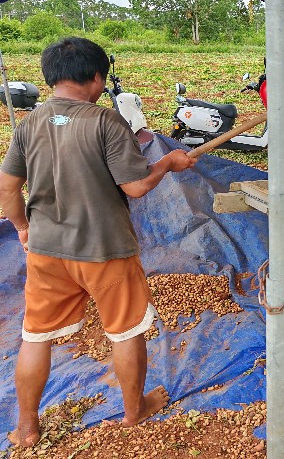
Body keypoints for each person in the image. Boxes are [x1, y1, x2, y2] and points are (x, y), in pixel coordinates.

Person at [0, 37, 197, 448]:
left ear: (52, 77)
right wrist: (167, 162)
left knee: (35, 336)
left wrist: (22, 228)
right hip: (105, 249)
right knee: (126, 331)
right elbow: (136, 186)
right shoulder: (106, 121)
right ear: (96, 77)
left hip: (46, 250)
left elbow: (7, 188)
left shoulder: (30, 123)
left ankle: (27, 428)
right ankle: (134, 410)